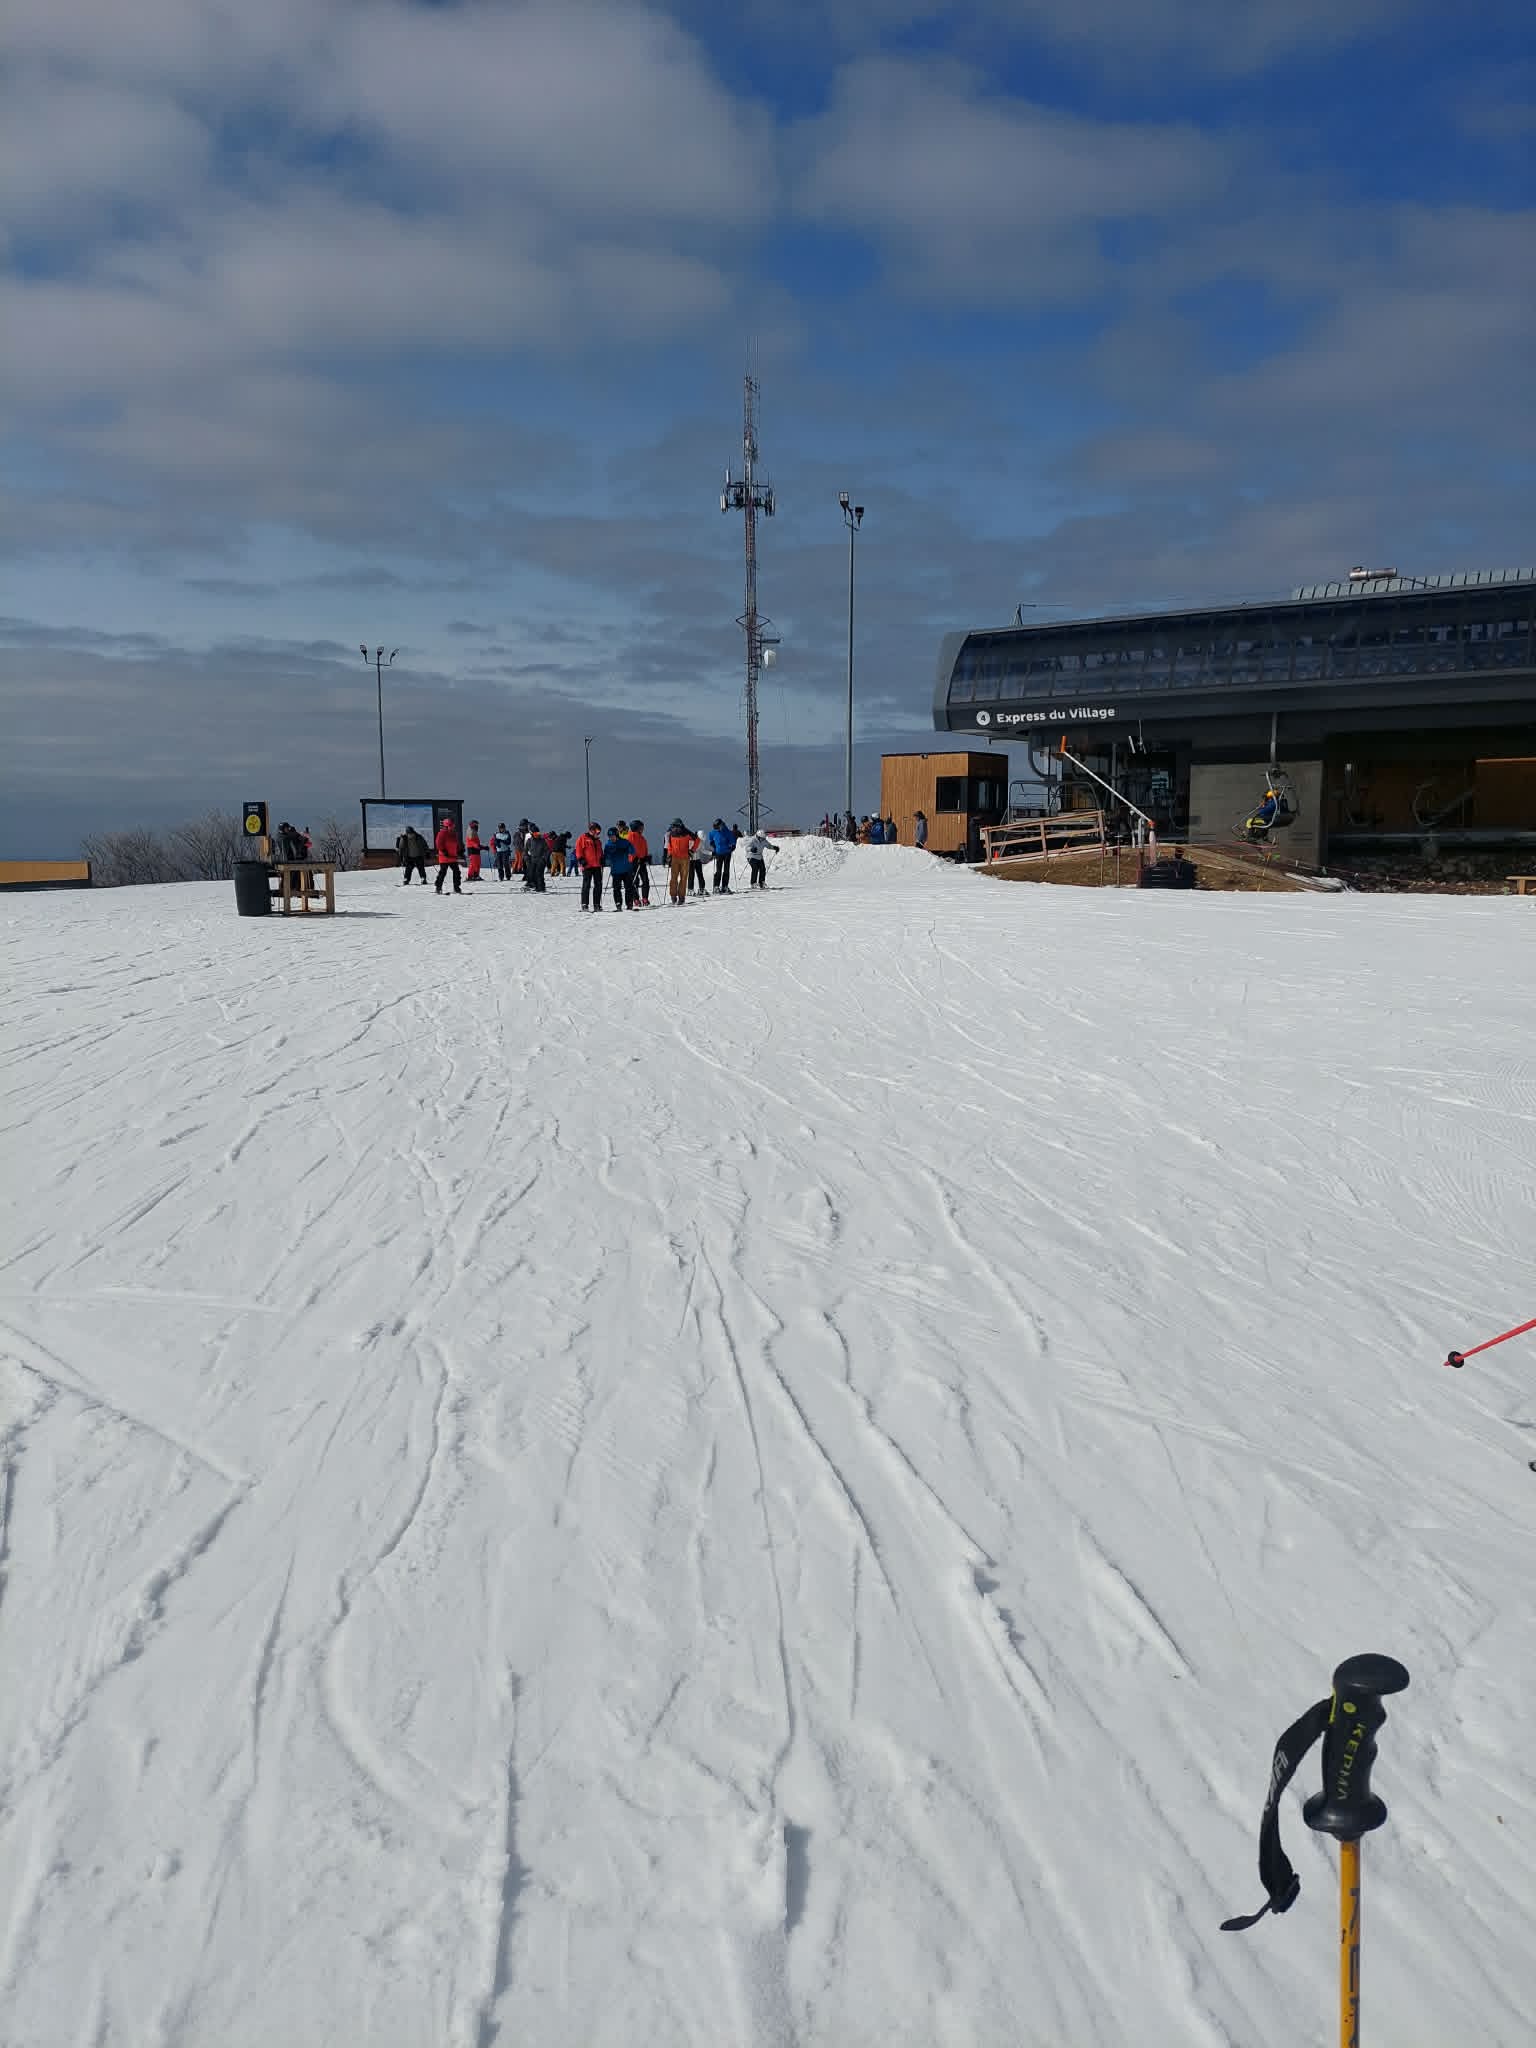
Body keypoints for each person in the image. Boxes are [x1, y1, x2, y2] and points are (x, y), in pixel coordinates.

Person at [603, 825, 638, 910]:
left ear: (617, 835)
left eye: (613, 836)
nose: (612, 838)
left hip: (626, 869)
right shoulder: (608, 845)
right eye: (610, 837)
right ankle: (618, 903)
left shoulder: (625, 842)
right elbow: (606, 856)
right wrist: (604, 859)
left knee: (628, 887)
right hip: (615, 871)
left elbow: (632, 850)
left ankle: (629, 904)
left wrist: (629, 852)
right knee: (616, 888)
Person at [574, 821, 605, 910]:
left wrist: (602, 859)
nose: (598, 833)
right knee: (586, 885)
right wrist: (581, 859)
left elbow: (600, 852)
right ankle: (584, 904)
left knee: (598, 885)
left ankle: (596, 904)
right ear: (592, 830)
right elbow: (578, 850)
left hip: (597, 866)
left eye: (599, 832)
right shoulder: (583, 838)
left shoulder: (598, 841)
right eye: (597, 831)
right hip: (587, 866)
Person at [665, 820, 698, 904]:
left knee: (683, 878)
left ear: (680, 826)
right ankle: (673, 896)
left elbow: (697, 840)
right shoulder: (670, 833)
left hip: (685, 858)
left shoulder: (687, 832)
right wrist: (669, 855)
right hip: (674, 858)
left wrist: (692, 850)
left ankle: (681, 897)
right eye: (673, 827)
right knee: (673, 878)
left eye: (676, 827)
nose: (674, 828)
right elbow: (669, 845)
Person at [434, 814, 463, 894]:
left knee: (457, 872)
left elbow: (456, 843)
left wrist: (459, 850)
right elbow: (438, 843)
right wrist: (443, 851)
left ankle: (456, 887)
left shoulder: (454, 833)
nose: (453, 827)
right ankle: (438, 887)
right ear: (447, 826)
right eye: (451, 825)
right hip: (444, 857)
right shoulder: (442, 833)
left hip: (452, 856)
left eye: (453, 825)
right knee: (443, 872)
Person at [708, 818, 735, 893]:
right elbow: (710, 838)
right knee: (718, 871)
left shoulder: (727, 832)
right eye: (715, 828)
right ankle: (716, 886)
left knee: (726, 870)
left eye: (718, 827)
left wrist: (732, 846)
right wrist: (712, 843)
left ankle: (724, 886)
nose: (717, 829)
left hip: (727, 853)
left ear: (721, 825)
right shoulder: (713, 832)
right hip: (718, 853)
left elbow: (732, 841)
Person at [628, 819, 652, 904]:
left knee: (645, 880)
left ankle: (645, 898)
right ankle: (636, 899)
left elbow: (644, 849)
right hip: (633, 862)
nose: (642, 829)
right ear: (636, 828)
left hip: (641, 862)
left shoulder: (642, 838)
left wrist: (646, 857)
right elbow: (629, 849)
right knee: (635, 881)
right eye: (641, 828)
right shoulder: (631, 836)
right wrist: (635, 858)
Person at [522, 824, 550, 892]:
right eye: (535, 833)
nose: (537, 834)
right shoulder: (529, 841)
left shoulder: (542, 841)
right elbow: (525, 851)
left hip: (541, 859)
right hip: (532, 859)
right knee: (532, 874)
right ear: (531, 834)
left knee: (539, 874)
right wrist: (527, 858)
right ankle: (534, 885)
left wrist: (544, 859)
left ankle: (541, 888)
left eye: (538, 833)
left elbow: (547, 850)